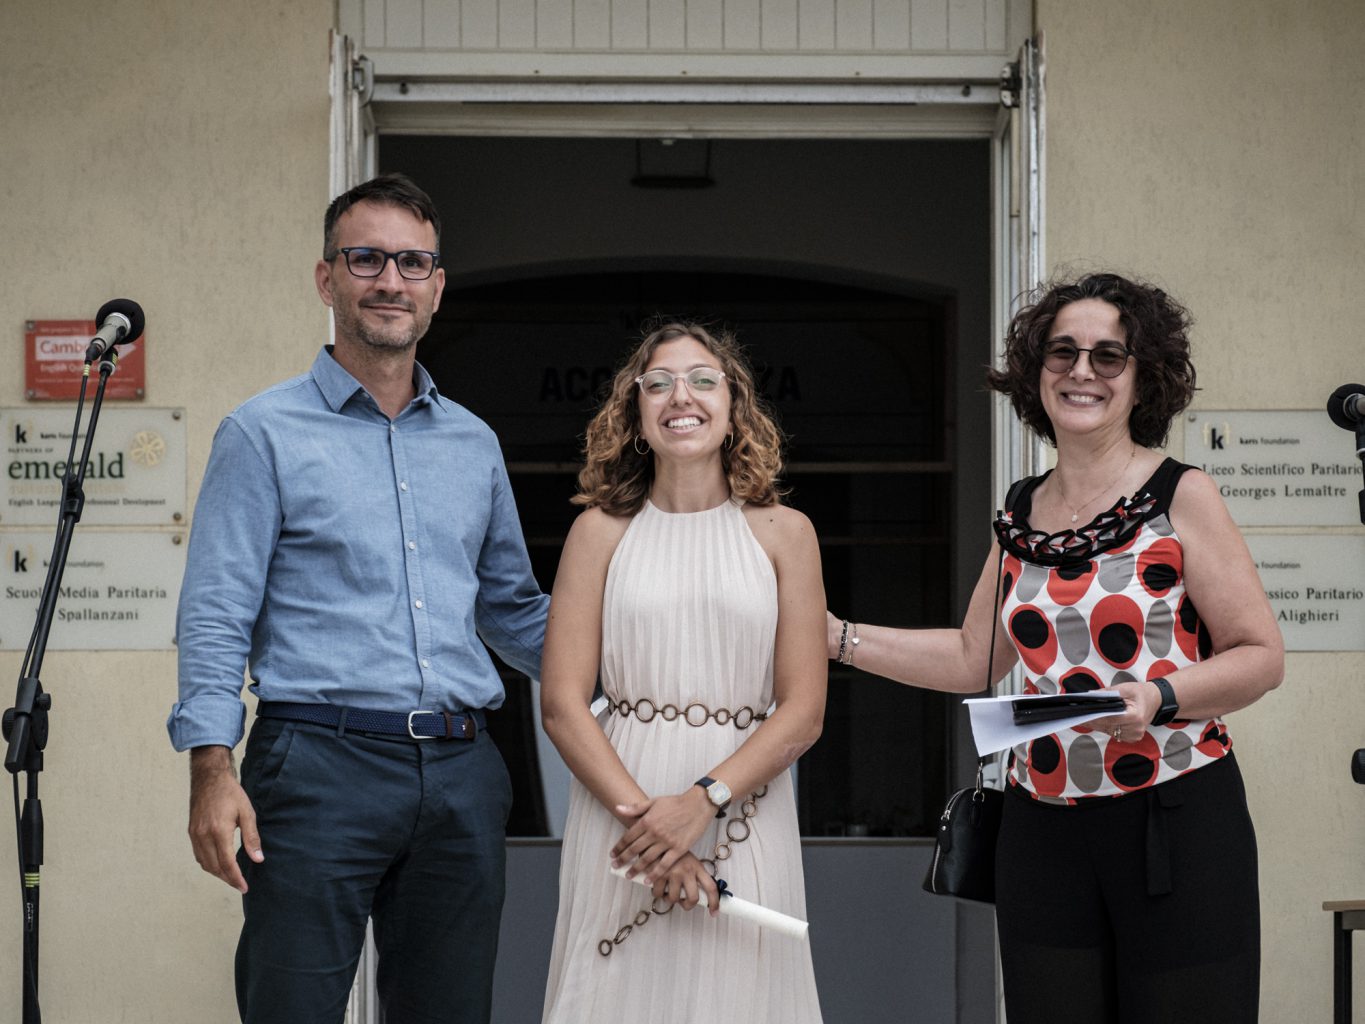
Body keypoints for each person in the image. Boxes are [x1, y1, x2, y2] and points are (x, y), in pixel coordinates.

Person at [829, 273, 1283, 1023]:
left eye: (1108, 356)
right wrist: (836, 638)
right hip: (1042, 825)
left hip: (1172, 816)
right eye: (1062, 352)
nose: (1081, 371)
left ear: (1142, 377)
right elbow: (973, 657)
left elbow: (1259, 654)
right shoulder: (1021, 510)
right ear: (1035, 372)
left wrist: (1158, 697)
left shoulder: (1180, 493)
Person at [167, 172, 549, 1024]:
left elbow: (513, 611)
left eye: (413, 263)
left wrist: (649, 647)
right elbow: (215, 613)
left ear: (437, 287)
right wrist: (210, 767)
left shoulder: (473, 442)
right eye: (366, 258)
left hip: (460, 770)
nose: (390, 281)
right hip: (316, 766)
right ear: (326, 278)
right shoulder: (261, 433)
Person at [539, 322, 827, 1022]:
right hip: (621, 806)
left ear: (734, 406)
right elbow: (562, 704)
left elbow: (803, 710)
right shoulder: (597, 531)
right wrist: (651, 832)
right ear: (636, 413)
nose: (681, 396)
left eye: (702, 380)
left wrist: (700, 803)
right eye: (659, 383)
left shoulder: (786, 533)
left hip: (744, 802)